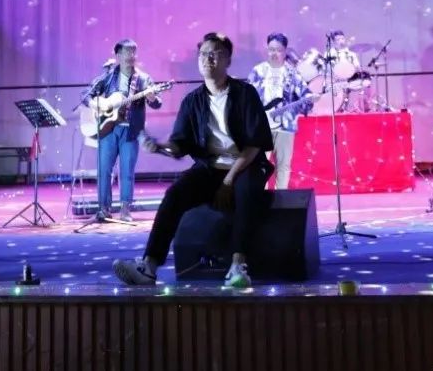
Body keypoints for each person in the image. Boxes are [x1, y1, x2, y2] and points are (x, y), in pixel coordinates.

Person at [113, 32, 273, 288]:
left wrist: (229, 180)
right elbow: (180, 144)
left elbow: (255, 144)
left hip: (246, 165)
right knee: (175, 194)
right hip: (210, 168)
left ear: (228, 60)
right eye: (203, 54)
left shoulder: (245, 94)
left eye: (215, 54)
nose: (208, 59)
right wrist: (160, 147)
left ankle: (238, 266)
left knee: (245, 194)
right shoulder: (193, 101)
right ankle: (149, 266)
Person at [85, 39, 164, 222]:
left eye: (133, 52)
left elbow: (157, 103)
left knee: (127, 171)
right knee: (104, 170)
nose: (131, 56)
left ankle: (125, 209)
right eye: (127, 52)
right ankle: (103, 209)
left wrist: (152, 98)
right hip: (108, 129)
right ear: (118, 55)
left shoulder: (143, 79)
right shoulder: (108, 77)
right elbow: (86, 95)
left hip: (130, 130)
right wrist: (97, 104)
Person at [247, 33, 313, 189]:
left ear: (285, 51)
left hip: (285, 126)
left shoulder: (292, 73)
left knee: (283, 166)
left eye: (278, 50)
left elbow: (305, 94)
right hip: (262, 126)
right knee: (260, 165)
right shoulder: (258, 71)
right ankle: (259, 198)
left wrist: (309, 99)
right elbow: (247, 97)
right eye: (271, 49)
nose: (274, 53)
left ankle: (280, 197)